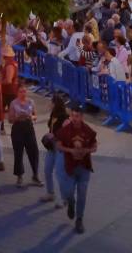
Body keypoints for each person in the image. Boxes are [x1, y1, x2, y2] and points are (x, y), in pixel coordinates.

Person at [55, 103, 96, 234]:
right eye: (72, 116)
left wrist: (87, 150)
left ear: (82, 117)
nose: (74, 118)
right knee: (69, 192)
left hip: (84, 167)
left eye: (77, 116)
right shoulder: (65, 131)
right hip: (70, 167)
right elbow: (58, 145)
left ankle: (79, 219)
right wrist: (70, 150)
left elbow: (94, 146)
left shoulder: (88, 130)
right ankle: (71, 203)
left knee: (82, 194)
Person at [7, 85, 41, 188]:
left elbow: (35, 116)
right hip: (18, 128)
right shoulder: (13, 103)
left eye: (25, 91)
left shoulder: (31, 102)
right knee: (18, 152)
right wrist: (17, 117)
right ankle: (19, 175)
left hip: (28, 127)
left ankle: (35, 174)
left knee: (33, 151)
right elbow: (10, 119)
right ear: (17, 93)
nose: (23, 93)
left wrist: (31, 116)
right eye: (21, 91)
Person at [40, 95, 70, 206]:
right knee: (47, 170)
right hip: (51, 147)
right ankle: (50, 193)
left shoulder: (65, 117)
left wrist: (54, 135)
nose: (49, 104)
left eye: (50, 102)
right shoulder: (53, 115)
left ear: (55, 104)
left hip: (60, 148)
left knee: (60, 173)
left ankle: (64, 198)